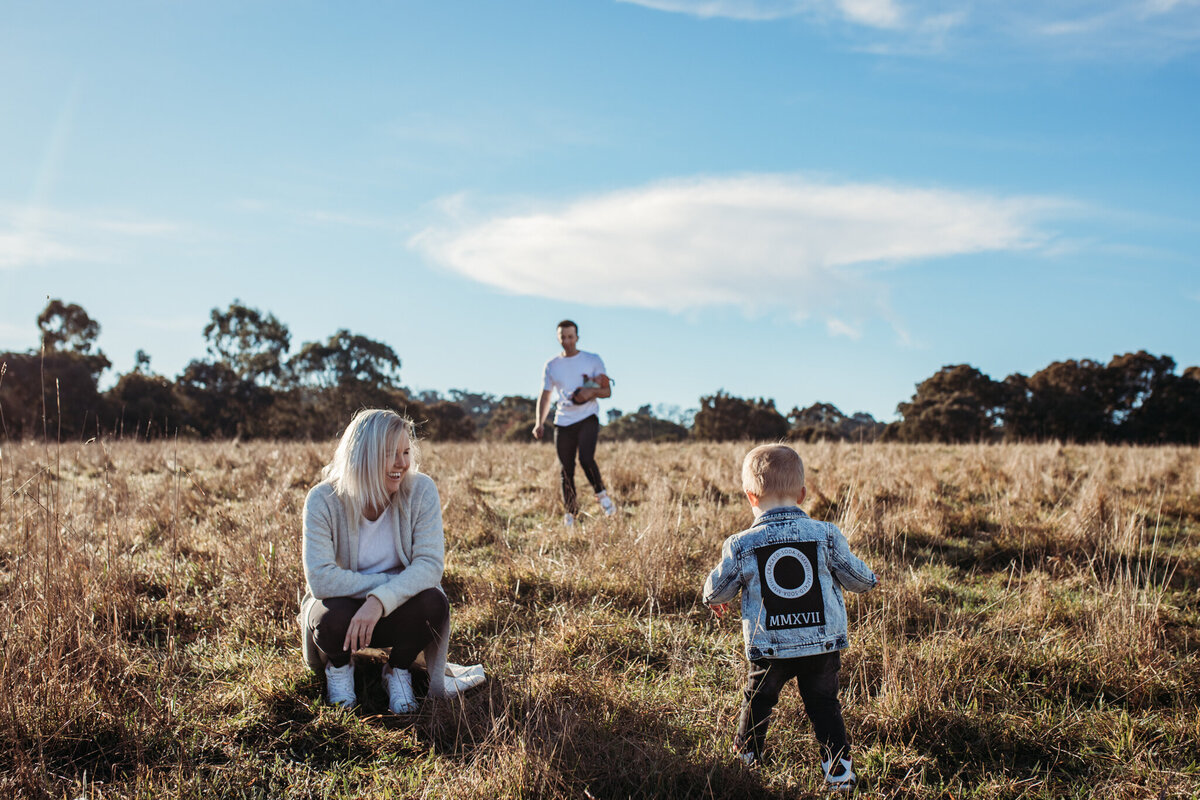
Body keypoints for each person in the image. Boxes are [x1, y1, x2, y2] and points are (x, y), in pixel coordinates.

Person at [702, 444, 878, 791]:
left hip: (769, 647)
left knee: (758, 700)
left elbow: (717, 590)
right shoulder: (826, 534)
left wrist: (712, 598)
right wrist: (869, 579)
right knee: (824, 705)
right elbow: (860, 580)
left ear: (750, 497)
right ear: (802, 493)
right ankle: (839, 774)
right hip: (821, 647)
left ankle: (746, 763)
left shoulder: (742, 544)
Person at [299, 408, 451, 712]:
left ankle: (397, 670)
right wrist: (381, 590)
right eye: (390, 454)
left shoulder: (421, 491)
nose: (402, 464)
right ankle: (340, 669)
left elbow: (430, 566)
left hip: (401, 610)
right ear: (363, 455)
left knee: (434, 603)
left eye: (406, 452)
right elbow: (321, 578)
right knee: (326, 619)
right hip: (345, 612)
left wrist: (379, 602)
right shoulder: (323, 500)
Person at [532, 319, 616, 526]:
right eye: (563, 337)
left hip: (587, 417)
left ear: (577, 337)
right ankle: (571, 513)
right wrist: (539, 422)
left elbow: (607, 391)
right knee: (565, 469)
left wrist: (589, 392)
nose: (567, 341)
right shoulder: (551, 366)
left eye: (570, 337)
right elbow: (545, 396)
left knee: (586, 458)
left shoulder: (592, 360)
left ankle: (603, 497)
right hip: (563, 421)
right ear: (558, 338)